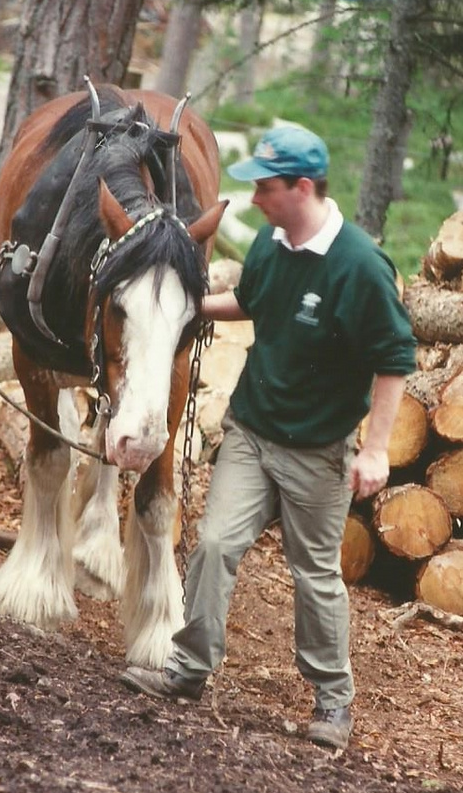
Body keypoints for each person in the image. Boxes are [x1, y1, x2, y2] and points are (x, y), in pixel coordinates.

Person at [121, 123, 417, 751]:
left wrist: (376, 448)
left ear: (302, 186)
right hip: (253, 433)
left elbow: (394, 359)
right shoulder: (268, 243)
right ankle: (188, 670)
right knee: (213, 545)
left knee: (314, 573)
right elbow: (252, 301)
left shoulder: (360, 266)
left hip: (318, 450)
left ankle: (333, 702)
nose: (253, 199)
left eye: (265, 187)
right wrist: (189, 306)